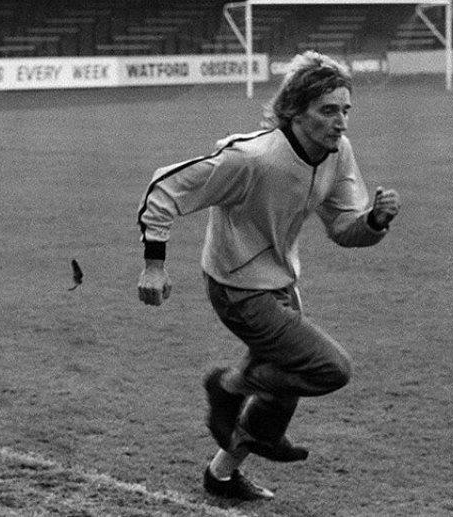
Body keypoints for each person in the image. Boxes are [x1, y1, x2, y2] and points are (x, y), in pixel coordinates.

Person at [136, 51, 400, 501]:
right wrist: (155, 265)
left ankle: (221, 474)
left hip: (279, 283)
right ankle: (228, 386)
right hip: (237, 287)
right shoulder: (253, 159)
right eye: (328, 110)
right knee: (330, 369)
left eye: (346, 110)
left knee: (284, 384)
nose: (341, 122)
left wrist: (373, 221)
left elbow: (342, 227)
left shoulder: (338, 153)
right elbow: (165, 188)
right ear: (296, 111)